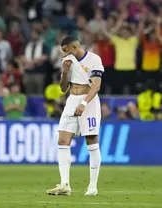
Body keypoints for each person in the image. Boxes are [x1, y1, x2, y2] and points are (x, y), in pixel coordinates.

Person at [46, 36, 104, 196]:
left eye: (65, 50)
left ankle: (92, 186)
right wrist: (64, 72)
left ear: (74, 47)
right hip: (72, 100)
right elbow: (63, 88)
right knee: (62, 141)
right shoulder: (68, 62)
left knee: (91, 141)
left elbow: (96, 86)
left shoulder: (94, 59)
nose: (63, 53)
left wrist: (84, 103)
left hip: (89, 102)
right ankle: (65, 184)